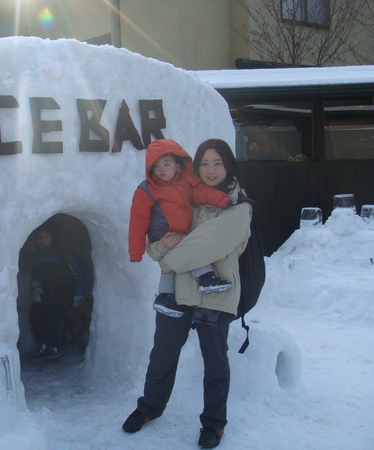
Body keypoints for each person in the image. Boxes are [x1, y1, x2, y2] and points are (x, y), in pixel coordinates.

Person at [122, 139, 252, 449]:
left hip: (216, 289)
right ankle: (149, 408)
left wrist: (165, 255)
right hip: (179, 290)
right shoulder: (184, 192)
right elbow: (157, 236)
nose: (210, 170)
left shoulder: (239, 206)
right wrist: (159, 247)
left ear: (229, 165)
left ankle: (214, 424)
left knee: (215, 362)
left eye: (217, 163)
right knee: (163, 354)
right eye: (205, 163)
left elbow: (201, 247)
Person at [128, 139, 233, 318]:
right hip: (163, 233)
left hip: (179, 232)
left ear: (177, 166)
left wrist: (223, 200)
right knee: (190, 250)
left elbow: (202, 193)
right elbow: (138, 220)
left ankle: (165, 296)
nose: (161, 169)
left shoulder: (186, 183)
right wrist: (135, 252)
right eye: (156, 166)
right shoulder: (147, 190)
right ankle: (205, 277)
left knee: (170, 267)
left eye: (166, 164)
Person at [29, 220, 85, 361]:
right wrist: (36, 286)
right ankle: (42, 344)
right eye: (40, 238)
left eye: (46, 237)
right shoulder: (37, 256)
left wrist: (78, 295)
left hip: (65, 293)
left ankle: (55, 346)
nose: (43, 241)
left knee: (54, 317)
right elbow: (38, 275)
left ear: (54, 238)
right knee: (36, 314)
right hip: (47, 293)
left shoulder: (63, 256)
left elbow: (77, 274)